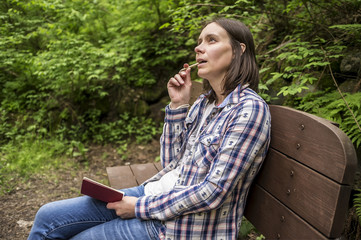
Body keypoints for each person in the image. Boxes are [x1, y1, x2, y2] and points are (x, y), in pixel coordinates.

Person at [28, 17, 271, 240]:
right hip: (152, 194)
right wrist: (178, 105)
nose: (198, 47)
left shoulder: (248, 110)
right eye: (199, 41)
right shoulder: (204, 103)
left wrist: (138, 208)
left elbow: (214, 191)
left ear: (239, 50)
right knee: (47, 216)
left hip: (175, 226)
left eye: (211, 40)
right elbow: (171, 164)